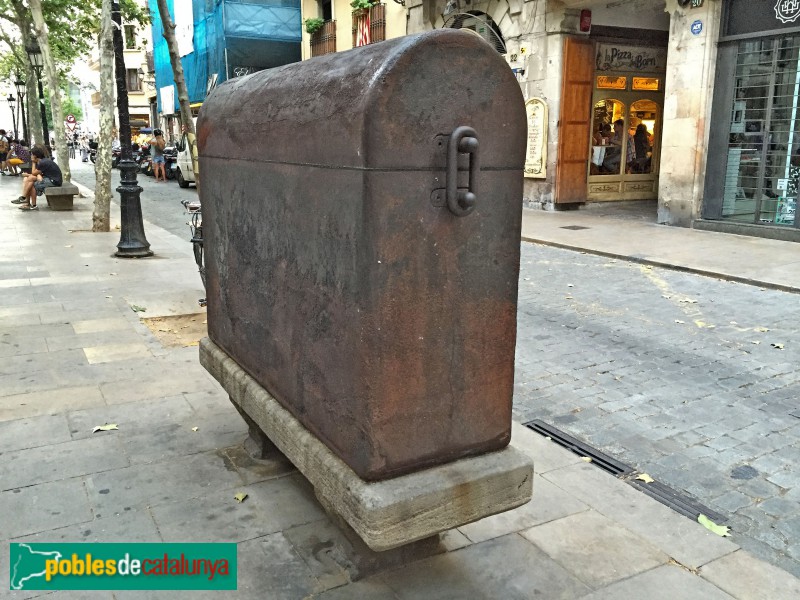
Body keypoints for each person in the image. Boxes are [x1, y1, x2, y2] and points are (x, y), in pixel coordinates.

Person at [14, 145, 63, 211]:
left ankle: (26, 199)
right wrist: (30, 175)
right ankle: (26, 200)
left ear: (35, 156)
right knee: (28, 179)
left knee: (32, 184)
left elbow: (34, 173)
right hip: (50, 178)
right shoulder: (43, 161)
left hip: (54, 181)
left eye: (32, 155)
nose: (31, 156)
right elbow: (37, 174)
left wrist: (33, 163)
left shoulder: (43, 162)